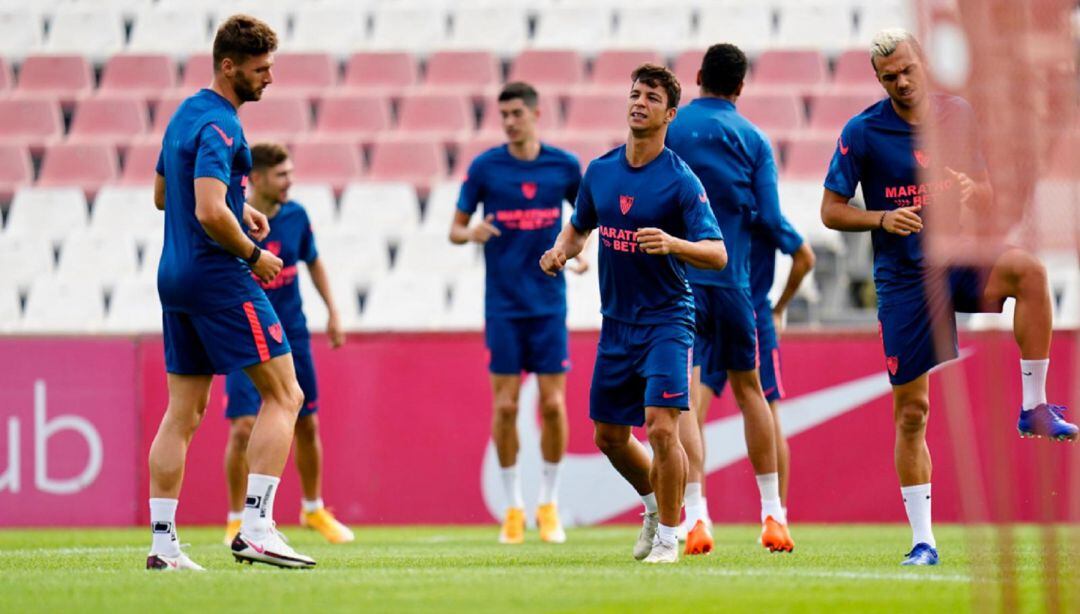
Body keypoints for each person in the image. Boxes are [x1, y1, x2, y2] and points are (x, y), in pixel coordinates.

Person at [820, 28, 1078, 567]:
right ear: (878, 79)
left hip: (958, 259)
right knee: (912, 412)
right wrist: (881, 218)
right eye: (890, 77)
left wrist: (973, 192)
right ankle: (923, 541)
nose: (903, 82)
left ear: (923, 63)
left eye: (909, 70)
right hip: (905, 279)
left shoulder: (958, 113)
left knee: (1029, 273)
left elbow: (983, 191)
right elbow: (831, 210)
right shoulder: (862, 132)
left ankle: (1033, 406)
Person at [145, 14, 315, 571]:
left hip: (174, 274)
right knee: (286, 394)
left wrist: (237, 205)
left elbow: (162, 194)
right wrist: (253, 253)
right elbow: (206, 210)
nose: (269, 79)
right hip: (218, 275)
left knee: (183, 412)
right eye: (260, 69)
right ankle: (258, 526)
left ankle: (164, 546)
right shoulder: (222, 125)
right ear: (229, 66)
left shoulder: (183, 116)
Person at [541, 64, 726, 564]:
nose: (638, 102)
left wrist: (673, 243)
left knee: (662, 427)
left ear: (669, 113)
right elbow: (579, 227)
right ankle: (652, 505)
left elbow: (717, 253)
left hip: (668, 318)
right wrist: (561, 251)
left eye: (650, 97)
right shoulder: (600, 172)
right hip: (617, 323)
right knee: (609, 436)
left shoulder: (681, 182)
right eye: (634, 93)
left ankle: (671, 536)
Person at [665, 43, 797, 555]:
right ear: (740, 87)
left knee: (687, 400)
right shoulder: (754, 139)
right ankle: (773, 514)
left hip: (682, 287)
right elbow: (769, 214)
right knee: (753, 394)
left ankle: (696, 516)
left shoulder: (671, 131)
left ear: (697, 77)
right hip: (736, 285)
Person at [451, 82, 584, 544]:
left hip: (548, 303)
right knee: (506, 407)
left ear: (535, 113)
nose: (509, 121)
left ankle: (548, 503)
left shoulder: (564, 166)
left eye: (516, 113)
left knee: (552, 404)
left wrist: (578, 253)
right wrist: (474, 232)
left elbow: (587, 219)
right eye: (502, 114)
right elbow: (454, 230)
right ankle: (513, 507)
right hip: (503, 304)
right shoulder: (486, 167)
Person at [221, 142, 352, 546]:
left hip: (292, 333)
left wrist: (332, 311)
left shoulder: (296, 216)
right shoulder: (232, 220)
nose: (289, 181)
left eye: (290, 173)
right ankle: (236, 518)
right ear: (256, 179)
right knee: (243, 428)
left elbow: (313, 261)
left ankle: (313, 509)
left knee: (307, 422)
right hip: (244, 331)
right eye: (281, 175)